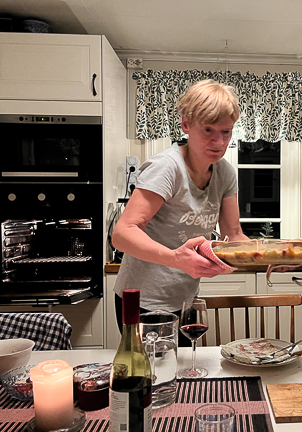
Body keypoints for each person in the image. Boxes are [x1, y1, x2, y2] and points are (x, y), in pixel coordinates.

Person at [112, 79, 249, 346]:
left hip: (185, 297)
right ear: (186, 124)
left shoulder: (225, 173)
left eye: (226, 131)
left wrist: (267, 256)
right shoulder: (167, 167)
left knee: (184, 368)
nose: (219, 141)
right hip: (143, 299)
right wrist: (175, 258)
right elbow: (122, 234)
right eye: (208, 130)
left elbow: (233, 234)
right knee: (152, 370)